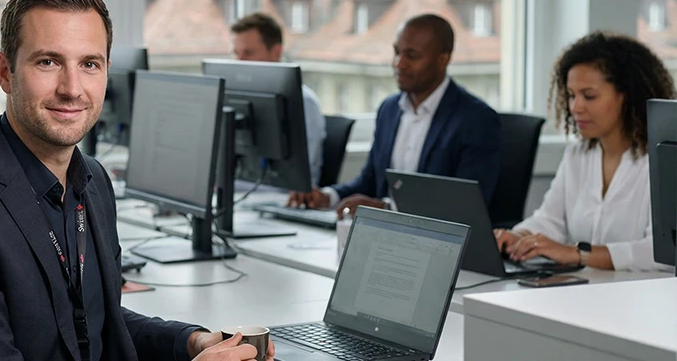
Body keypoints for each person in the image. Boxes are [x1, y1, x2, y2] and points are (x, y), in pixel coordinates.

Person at [0, 0, 274, 361]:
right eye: (48, 62)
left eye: (89, 64)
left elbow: (96, 324)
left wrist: (190, 342)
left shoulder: (92, 182)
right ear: (5, 73)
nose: (72, 88)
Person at [288, 14, 501, 219]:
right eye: (397, 52)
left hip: (439, 246)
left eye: (412, 55)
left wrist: (387, 208)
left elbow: (465, 205)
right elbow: (369, 181)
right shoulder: (389, 110)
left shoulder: (476, 120)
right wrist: (327, 196)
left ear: (443, 59)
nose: (399, 63)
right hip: (385, 238)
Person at [495, 32, 675, 271]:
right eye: (571, 95)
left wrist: (576, 254)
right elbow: (550, 220)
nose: (576, 107)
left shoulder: (663, 161)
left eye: (589, 96)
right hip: (584, 291)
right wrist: (521, 237)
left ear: (628, 96)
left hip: (639, 298)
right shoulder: (577, 154)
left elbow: (660, 252)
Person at [231, 12, 326, 186]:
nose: (239, 62)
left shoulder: (304, 103)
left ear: (276, 52)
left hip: (278, 198)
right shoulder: (237, 102)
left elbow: (297, 175)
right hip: (244, 196)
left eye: (248, 53)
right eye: (237, 54)